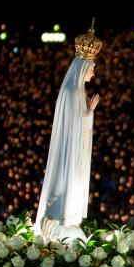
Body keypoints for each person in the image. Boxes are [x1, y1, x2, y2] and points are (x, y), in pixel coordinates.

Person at [34, 19, 102, 245]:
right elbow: (72, 127)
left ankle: (68, 215)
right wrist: (88, 113)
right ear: (83, 67)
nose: (93, 73)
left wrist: (88, 112)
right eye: (92, 68)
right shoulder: (73, 91)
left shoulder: (78, 90)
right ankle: (60, 216)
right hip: (69, 152)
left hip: (75, 150)